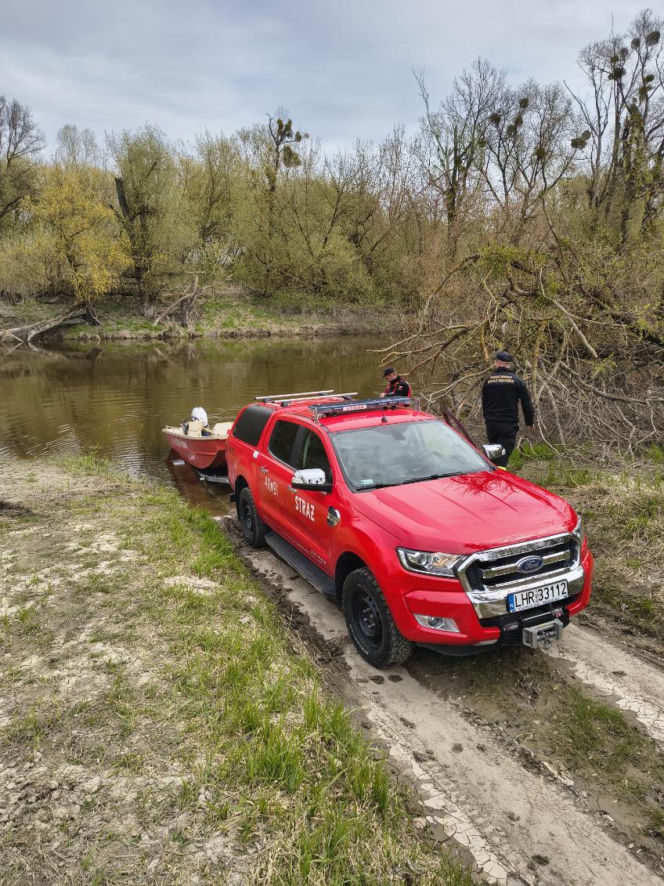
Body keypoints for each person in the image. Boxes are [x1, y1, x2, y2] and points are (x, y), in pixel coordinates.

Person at [481, 351, 534, 467]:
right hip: (508, 425)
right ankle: (499, 480)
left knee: (494, 456)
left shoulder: (488, 381)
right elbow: (526, 403)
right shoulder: (517, 381)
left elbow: (484, 403)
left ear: (497, 363)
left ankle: (494, 478)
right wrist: (530, 422)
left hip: (492, 425)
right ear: (509, 364)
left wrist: (487, 418)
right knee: (502, 458)